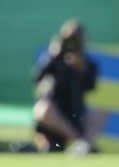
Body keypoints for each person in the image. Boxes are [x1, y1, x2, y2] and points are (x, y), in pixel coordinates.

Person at [32, 19, 107, 155]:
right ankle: (82, 143)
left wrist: (81, 68)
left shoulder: (88, 63)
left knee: (102, 112)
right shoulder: (54, 59)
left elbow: (91, 87)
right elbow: (37, 78)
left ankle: (82, 144)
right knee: (42, 108)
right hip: (56, 119)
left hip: (76, 115)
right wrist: (52, 56)